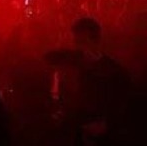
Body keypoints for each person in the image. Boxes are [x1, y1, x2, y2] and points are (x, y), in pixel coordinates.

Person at [47, 17, 133, 146]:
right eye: (75, 41)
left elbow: (122, 104)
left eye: (81, 41)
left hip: (99, 135)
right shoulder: (70, 63)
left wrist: (107, 124)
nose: (77, 46)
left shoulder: (114, 71)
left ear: (96, 41)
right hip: (72, 132)